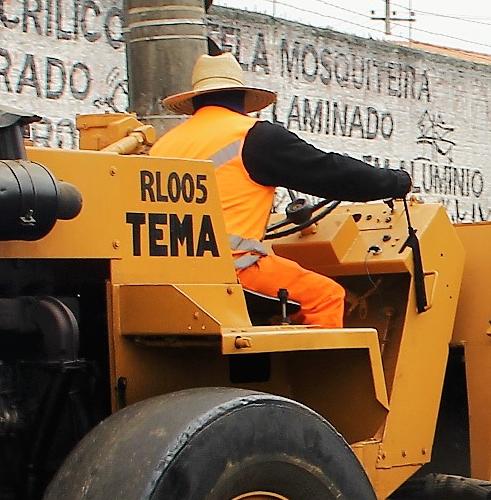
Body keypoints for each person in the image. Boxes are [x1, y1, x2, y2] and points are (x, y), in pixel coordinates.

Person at [152, 49, 415, 327]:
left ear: (195, 101)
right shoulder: (252, 136)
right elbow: (328, 172)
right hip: (233, 270)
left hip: (171, 275)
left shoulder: (163, 145)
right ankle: (313, 371)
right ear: (243, 97)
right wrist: (394, 182)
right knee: (326, 297)